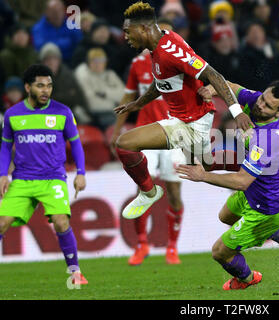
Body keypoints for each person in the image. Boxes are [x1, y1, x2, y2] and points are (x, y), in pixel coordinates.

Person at [113, 2, 253, 220]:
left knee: (125, 144)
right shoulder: (161, 43)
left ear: (142, 29)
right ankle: (261, 164)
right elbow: (162, 80)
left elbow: (213, 75)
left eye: (127, 32)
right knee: (207, 162)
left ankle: (148, 192)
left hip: (191, 123)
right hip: (187, 118)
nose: (126, 37)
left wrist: (237, 112)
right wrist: (139, 103)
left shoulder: (171, 50)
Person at [177, 80, 279, 290]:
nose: (260, 105)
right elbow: (230, 85)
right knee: (225, 216)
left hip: (267, 207)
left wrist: (202, 176)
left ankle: (247, 278)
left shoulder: (268, 139)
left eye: (268, 106)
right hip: (259, 188)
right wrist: (211, 89)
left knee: (219, 252)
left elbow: (241, 181)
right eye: (263, 98)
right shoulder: (258, 101)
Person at [0, 64, 88, 285]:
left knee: (61, 222)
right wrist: (2, 174)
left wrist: (81, 172)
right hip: (22, 180)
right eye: (40, 86)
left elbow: (76, 145)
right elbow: (4, 147)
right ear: (28, 87)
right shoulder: (12, 115)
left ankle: (75, 273)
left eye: (49, 85)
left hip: (53, 180)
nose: (45, 91)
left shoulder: (63, 112)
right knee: (2, 222)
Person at [110, 19, 186, 266]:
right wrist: (117, 131)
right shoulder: (139, 64)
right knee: (143, 189)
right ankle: (142, 244)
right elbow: (128, 96)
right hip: (146, 134)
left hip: (174, 135)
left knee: (174, 193)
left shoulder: (181, 61)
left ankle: (172, 246)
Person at [75, 47, 125, 130]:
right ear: (89, 62)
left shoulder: (110, 74)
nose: (98, 64)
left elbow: (124, 96)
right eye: (95, 61)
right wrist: (112, 101)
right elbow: (90, 101)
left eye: (102, 60)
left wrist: (105, 94)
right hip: (92, 115)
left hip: (111, 114)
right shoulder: (83, 74)